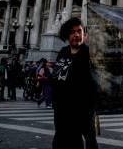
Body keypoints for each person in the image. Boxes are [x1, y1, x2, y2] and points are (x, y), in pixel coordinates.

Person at [52, 17, 98, 149]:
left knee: (89, 141)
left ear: (84, 34)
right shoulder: (63, 52)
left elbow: (98, 78)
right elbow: (58, 76)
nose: (77, 35)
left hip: (83, 109)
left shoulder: (90, 53)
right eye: (72, 32)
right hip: (62, 108)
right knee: (61, 141)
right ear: (67, 35)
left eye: (79, 31)